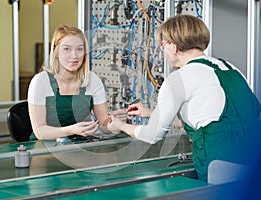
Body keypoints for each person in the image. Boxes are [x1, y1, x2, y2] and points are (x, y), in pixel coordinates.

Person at [107, 14, 261, 181]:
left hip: (222, 171)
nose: (163, 51)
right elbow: (208, 119)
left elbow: (153, 135)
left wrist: (121, 126)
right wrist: (153, 113)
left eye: (162, 45)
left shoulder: (178, 80)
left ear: (173, 47)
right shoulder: (230, 68)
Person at [28, 25, 125, 140]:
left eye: (79, 49)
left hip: (81, 146)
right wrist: (70, 130)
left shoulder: (92, 80)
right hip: (44, 149)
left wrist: (113, 125)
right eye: (66, 49)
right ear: (55, 51)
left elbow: (104, 123)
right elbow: (40, 132)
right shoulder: (40, 82)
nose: (74, 56)